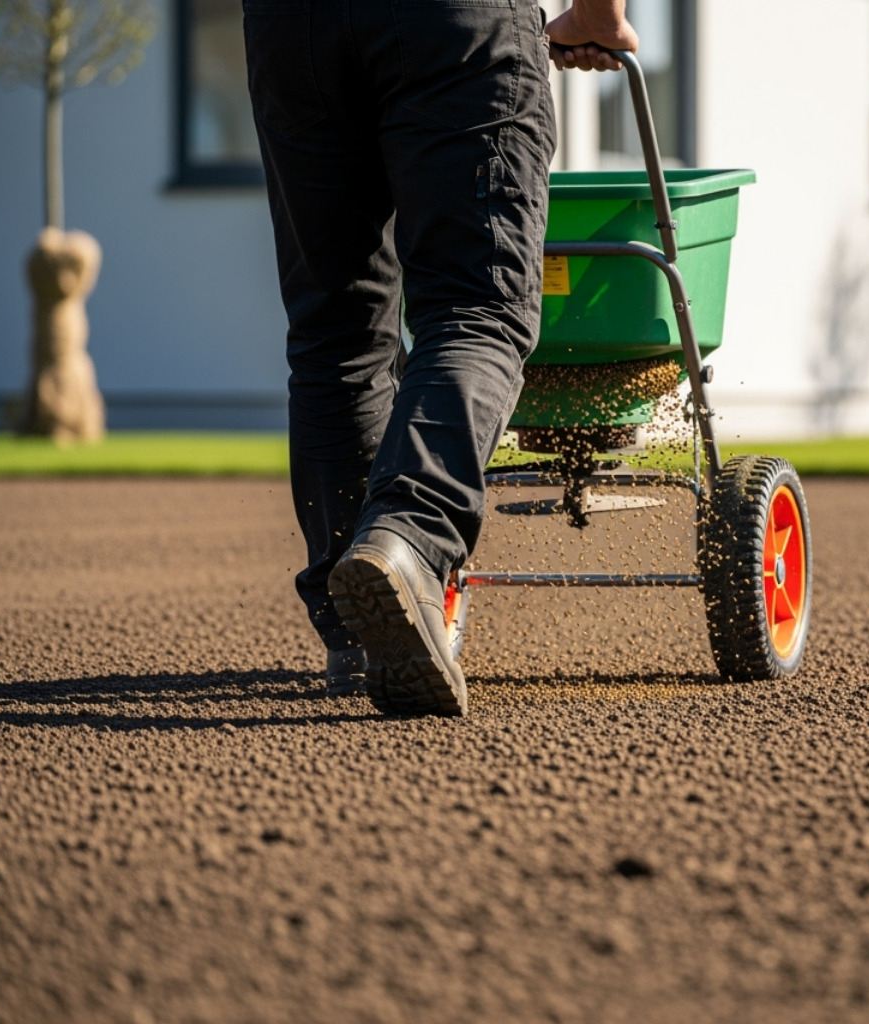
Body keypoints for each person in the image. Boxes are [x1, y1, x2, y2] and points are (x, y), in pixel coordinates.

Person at [245, 0, 638, 716]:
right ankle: (409, 541)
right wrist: (599, 16)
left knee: (336, 332)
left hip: (290, 29)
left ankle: (356, 631)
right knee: (478, 306)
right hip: (454, 24)